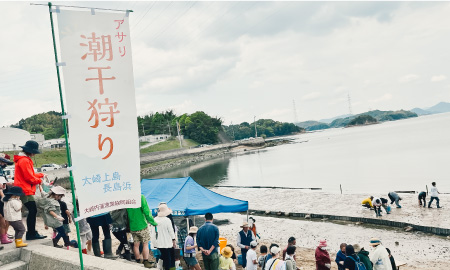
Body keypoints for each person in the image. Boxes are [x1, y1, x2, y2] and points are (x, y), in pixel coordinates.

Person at [13, 140, 47, 240]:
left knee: (32, 210)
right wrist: (39, 181)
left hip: (23, 188)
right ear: (30, 151)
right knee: (32, 210)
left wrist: (41, 175)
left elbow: (30, 175)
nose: (34, 154)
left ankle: (31, 232)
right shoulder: (24, 160)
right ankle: (31, 233)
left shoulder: (23, 159)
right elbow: (29, 177)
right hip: (24, 189)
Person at [128, 194, 157, 267]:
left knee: (136, 245)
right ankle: (146, 261)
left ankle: (137, 260)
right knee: (145, 244)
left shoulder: (127, 198)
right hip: (142, 225)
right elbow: (146, 211)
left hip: (132, 226)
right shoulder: (140, 197)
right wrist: (153, 222)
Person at [153, 203, 176, 270]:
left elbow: (153, 231)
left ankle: (159, 267)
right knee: (168, 257)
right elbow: (171, 231)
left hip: (158, 241)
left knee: (164, 255)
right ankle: (166, 268)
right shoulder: (167, 220)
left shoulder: (155, 219)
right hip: (167, 241)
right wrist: (173, 240)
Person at [0, 154, 13, 246]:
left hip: (3, 195)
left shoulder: (1, 170)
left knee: (4, 217)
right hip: (2, 196)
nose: (5, 164)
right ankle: (3, 236)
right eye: (4, 162)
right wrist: (3, 197)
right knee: (3, 217)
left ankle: (4, 235)